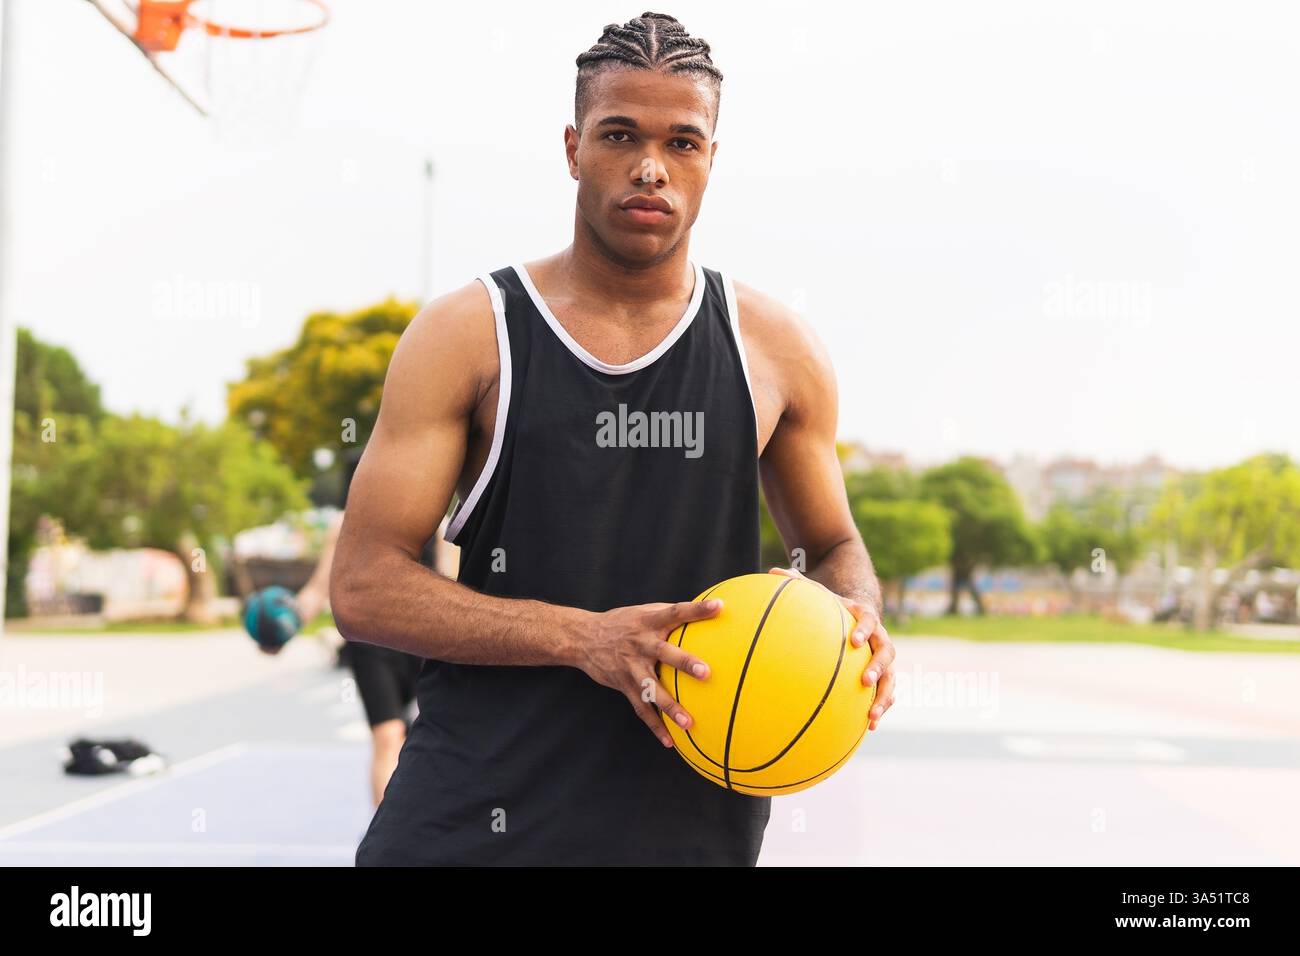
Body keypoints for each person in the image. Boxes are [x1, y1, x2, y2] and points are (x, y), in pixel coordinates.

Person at [332, 12, 898, 866]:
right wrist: (584, 638)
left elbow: (832, 544)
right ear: (571, 148)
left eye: (683, 143)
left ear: (712, 160)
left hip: (690, 816)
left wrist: (856, 615)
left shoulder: (777, 350)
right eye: (620, 135)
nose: (649, 168)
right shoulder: (470, 334)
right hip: (473, 811)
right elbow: (364, 586)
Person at [263, 446, 449, 807]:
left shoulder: (434, 520)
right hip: (373, 644)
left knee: (430, 739)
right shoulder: (347, 523)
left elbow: (452, 582)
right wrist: (286, 630)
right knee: (388, 735)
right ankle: (387, 838)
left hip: (423, 642)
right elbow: (319, 589)